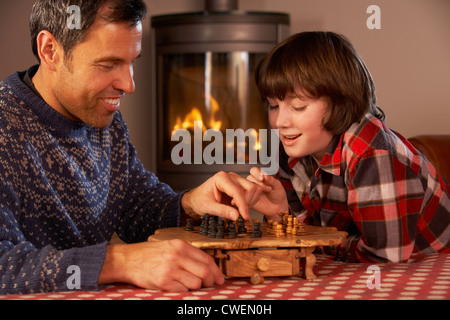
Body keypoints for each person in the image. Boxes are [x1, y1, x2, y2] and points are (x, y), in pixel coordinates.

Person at [0, 0, 265, 295]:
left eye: (132, 61)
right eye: (108, 64)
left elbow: (137, 210)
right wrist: (120, 261)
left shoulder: (103, 120)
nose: (128, 84)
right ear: (51, 50)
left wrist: (190, 204)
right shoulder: (5, 127)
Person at [248, 31, 450, 263]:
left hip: (434, 266)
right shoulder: (290, 146)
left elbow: (384, 257)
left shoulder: (372, 152)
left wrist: (319, 241)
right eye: (273, 105)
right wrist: (278, 213)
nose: (279, 122)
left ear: (339, 104)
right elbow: (297, 241)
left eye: (298, 106)